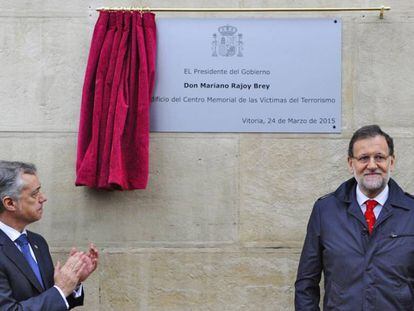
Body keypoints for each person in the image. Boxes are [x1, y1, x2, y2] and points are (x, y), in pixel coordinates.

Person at [295, 125, 414, 310]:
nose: (372, 165)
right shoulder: (325, 211)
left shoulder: (411, 211)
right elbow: (306, 284)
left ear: (391, 162)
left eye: (380, 157)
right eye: (364, 158)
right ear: (351, 164)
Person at [0, 161, 98, 310]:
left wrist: (73, 280)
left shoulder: (37, 242)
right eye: (34, 194)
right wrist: (61, 289)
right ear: (10, 203)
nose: (43, 198)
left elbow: (53, 301)